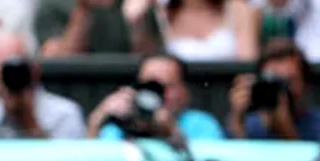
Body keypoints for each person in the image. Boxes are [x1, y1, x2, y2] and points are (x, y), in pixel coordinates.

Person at [0, 32, 85, 140]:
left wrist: (27, 118)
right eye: (3, 70)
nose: (11, 76)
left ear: (34, 71)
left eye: (17, 68)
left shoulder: (64, 114)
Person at [89, 54, 225, 142]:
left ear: (185, 92)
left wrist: (171, 131)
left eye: (166, 86)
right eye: (150, 86)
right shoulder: (118, 129)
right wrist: (98, 119)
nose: (157, 95)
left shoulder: (202, 125)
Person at [228, 39, 320, 143]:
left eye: (288, 81)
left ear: (306, 84)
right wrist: (237, 118)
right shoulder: (250, 125)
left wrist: (286, 130)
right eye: (273, 81)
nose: (280, 90)